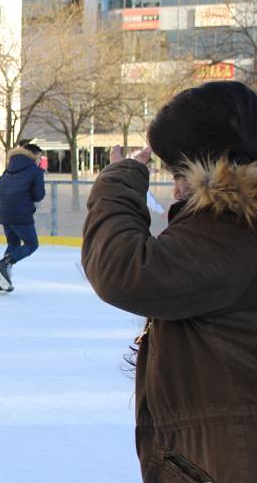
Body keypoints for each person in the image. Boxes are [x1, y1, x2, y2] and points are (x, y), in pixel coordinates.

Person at [82, 81, 257, 482]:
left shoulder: (231, 229)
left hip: (232, 457)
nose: (176, 188)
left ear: (215, 163)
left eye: (181, 172)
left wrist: (120, 180)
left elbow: (122, 270)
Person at [0, 143, 45, 293]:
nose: (40, 160)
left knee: (13, 243)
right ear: (32, 156)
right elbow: (38, 195)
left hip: (6, 213)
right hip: (21, 214)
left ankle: (2, 281)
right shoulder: (35, 171)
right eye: (39, 157)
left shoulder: (8, 170)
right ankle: (4, 263)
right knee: (32, 244)